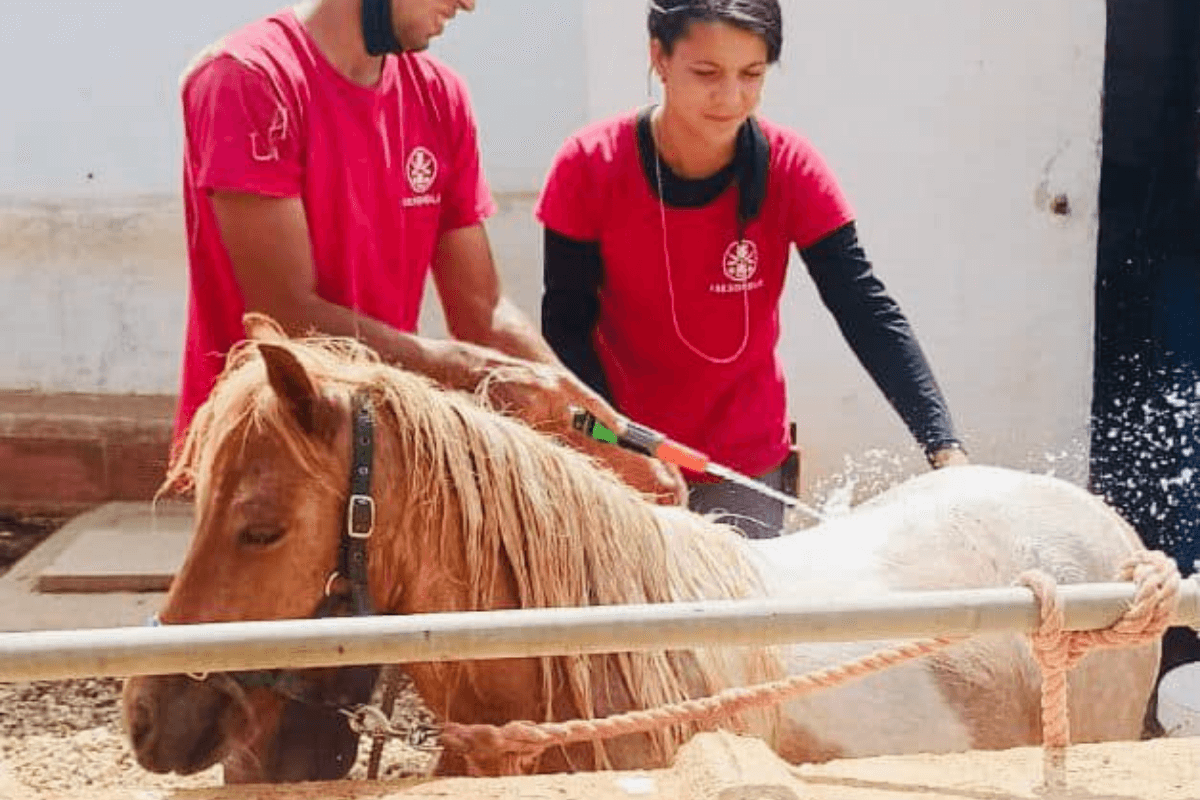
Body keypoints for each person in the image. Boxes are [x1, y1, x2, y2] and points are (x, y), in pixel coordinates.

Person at [173, 0, 685, 501]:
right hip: (266, 477)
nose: (468, 4)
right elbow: (288, 314)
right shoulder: (248, 78)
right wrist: (470, 369)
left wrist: (616, 439)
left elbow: (483, 316)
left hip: (378, 456)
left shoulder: (438, 95)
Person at [536, 0, 968, 539]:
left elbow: (863, 305)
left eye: (752, 75)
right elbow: (566, 326)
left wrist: (943, 447)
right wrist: (619, 445)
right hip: (618, 454)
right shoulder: (589, 164)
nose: (731, 97)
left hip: (740, 460)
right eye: (706, 73)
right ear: (659, 59)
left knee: (737, 619)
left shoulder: (792, 167)